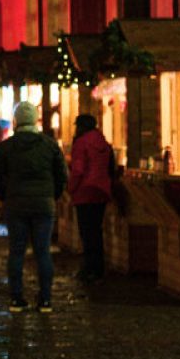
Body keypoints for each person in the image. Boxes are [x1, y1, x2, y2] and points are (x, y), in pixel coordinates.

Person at [0, 101, 67, 313]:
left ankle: (16, 298)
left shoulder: (7, 147)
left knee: (16, 251)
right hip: (43, 205)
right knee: (43, 252)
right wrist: (53, 195)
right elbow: (62, 175)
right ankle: (45, 300)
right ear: (35, 119)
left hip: (16, 205)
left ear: (16, 121)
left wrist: (4, 196)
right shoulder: (49, 145)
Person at [68, 113, 115, 281]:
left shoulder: (81, 143)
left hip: (84, 191)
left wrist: (71, 188)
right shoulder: (103, 142)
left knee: (86, 232)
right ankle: (98, 268)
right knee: (96, 230)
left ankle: (89, 269)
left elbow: (78, 170)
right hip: (101, 191)